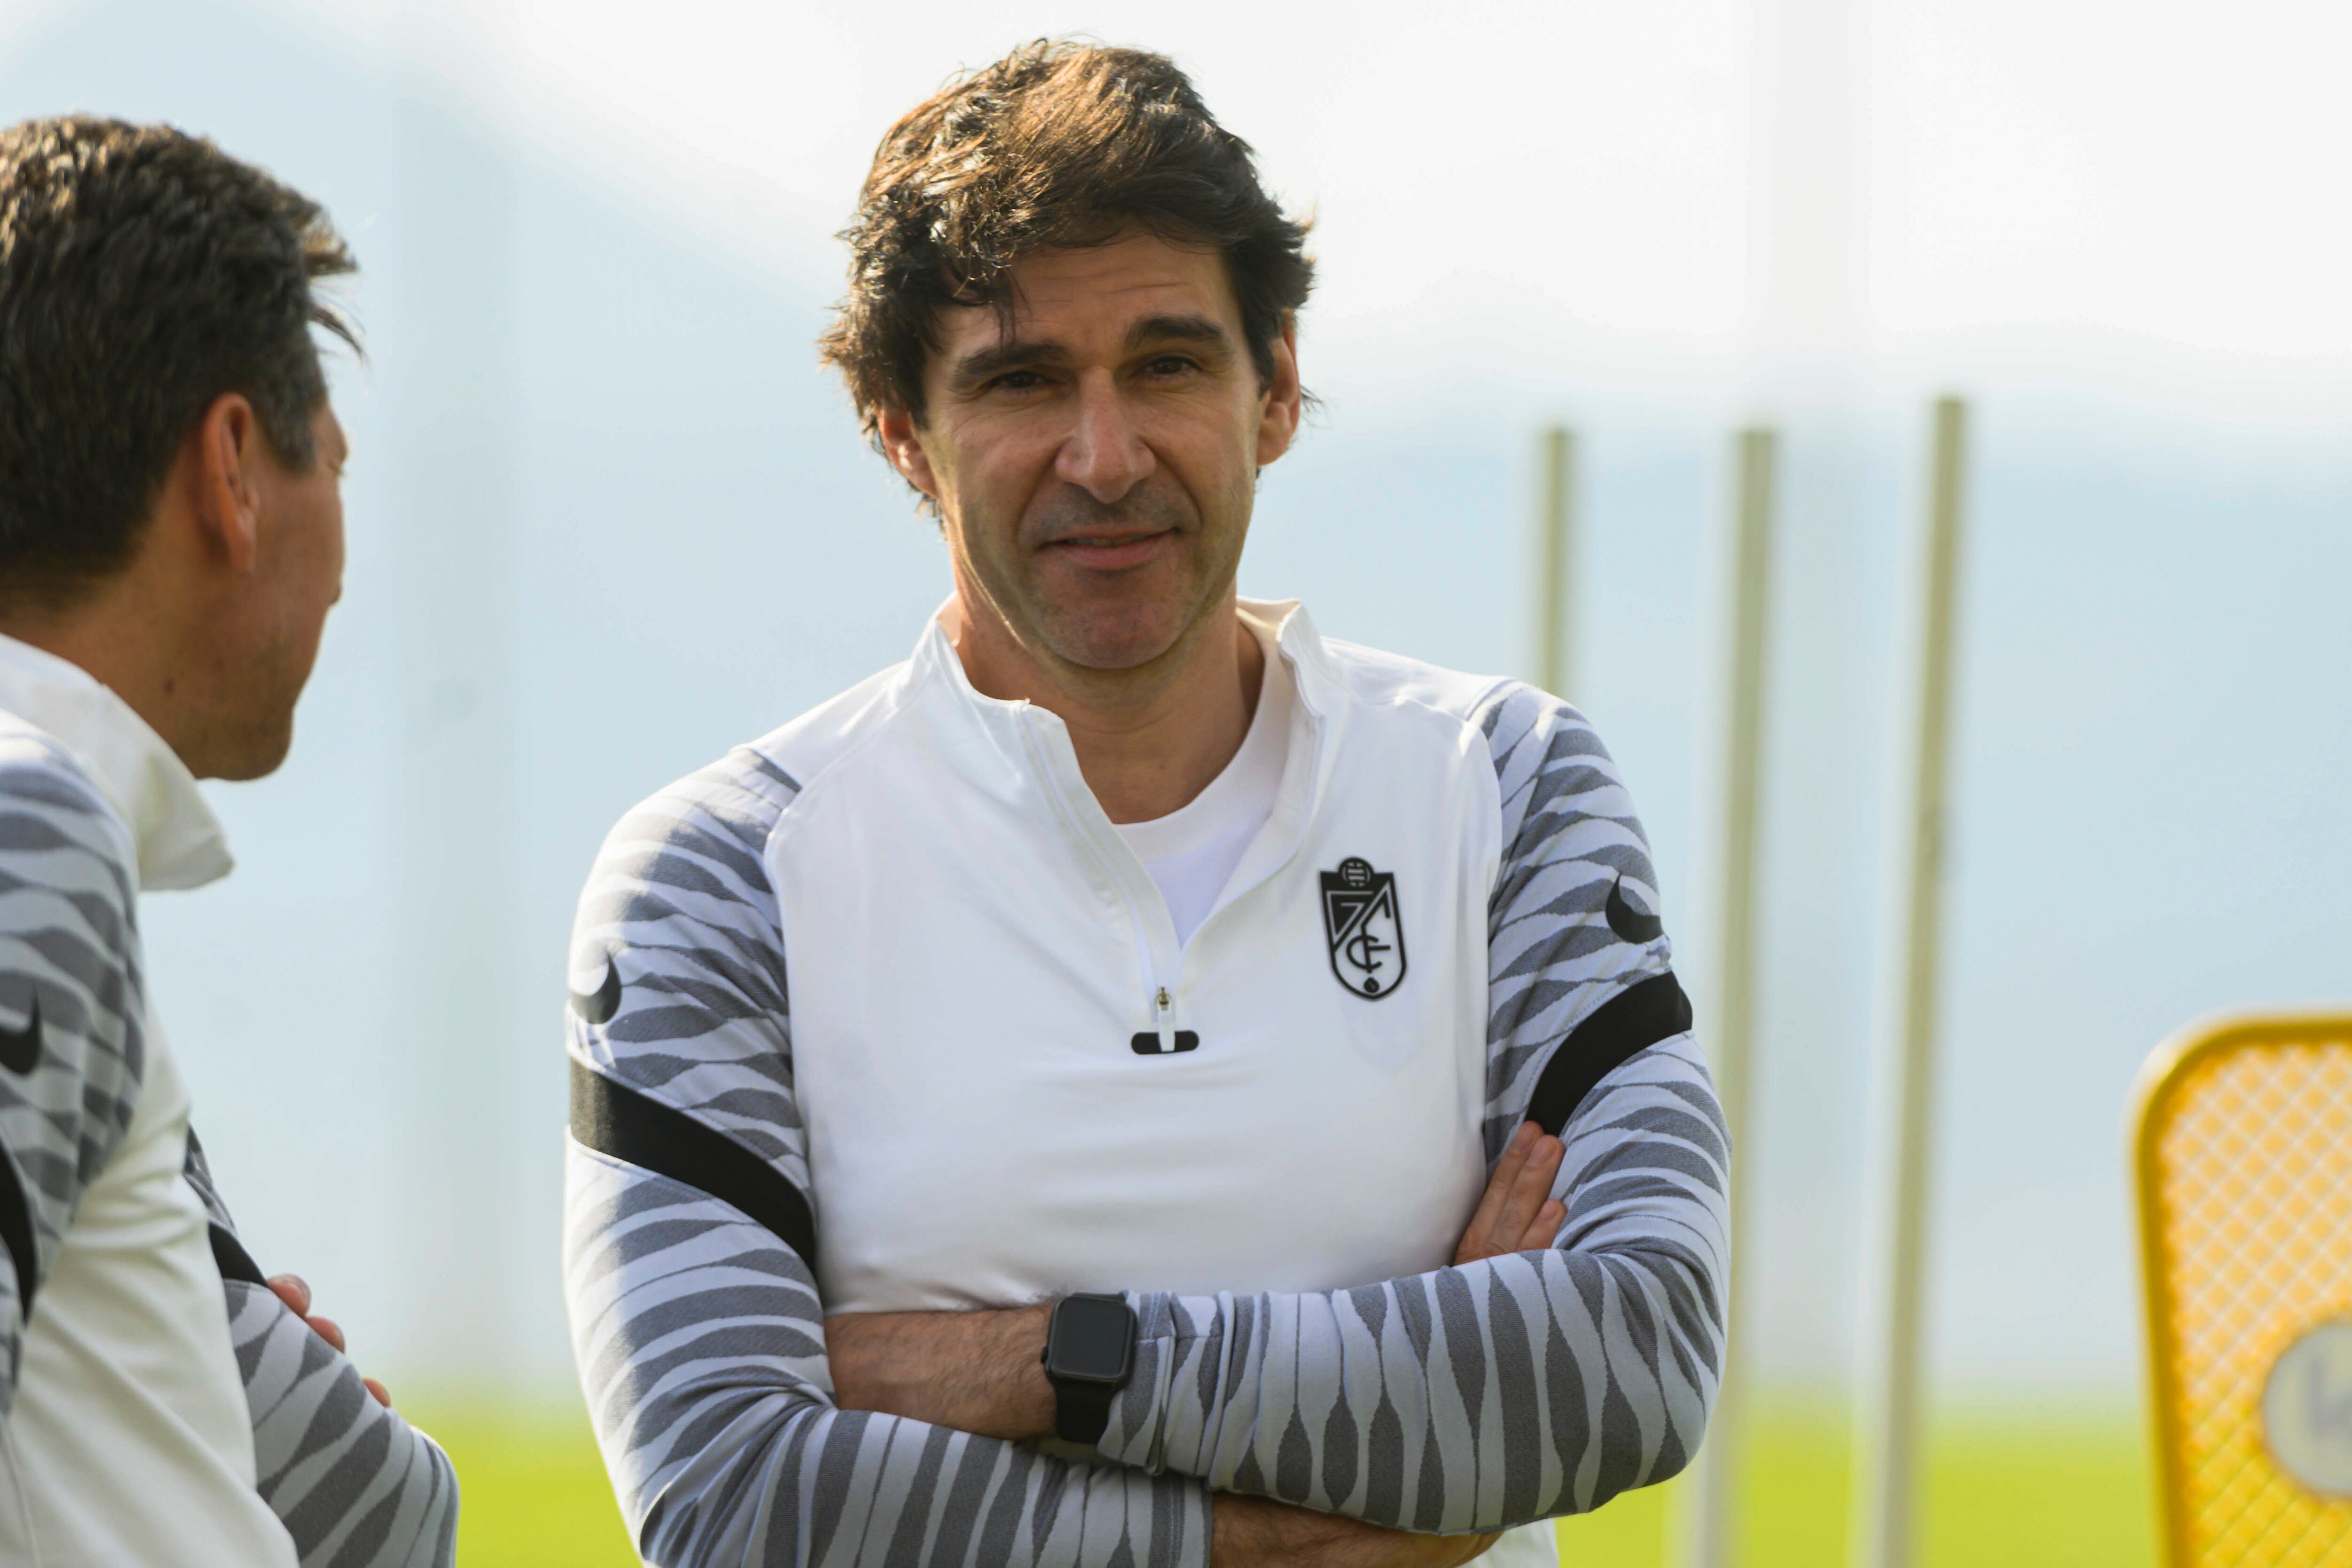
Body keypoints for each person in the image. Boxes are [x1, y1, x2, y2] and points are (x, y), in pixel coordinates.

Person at [563, 41, 1725, 1568]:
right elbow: (734, 1503)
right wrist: (1363, 1505)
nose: (1104, 458)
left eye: (1168, 364)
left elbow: (1630, 1359)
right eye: (1022, 382)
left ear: (1279, 389)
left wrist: (1029, 1365)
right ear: (900, 431)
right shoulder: (720, 880)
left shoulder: (1505, 787)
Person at [0, 117, 456, 1566]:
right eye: (329, 459)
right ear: (235, 469)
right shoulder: (32, 827)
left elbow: (364, 1509)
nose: (339, 571)